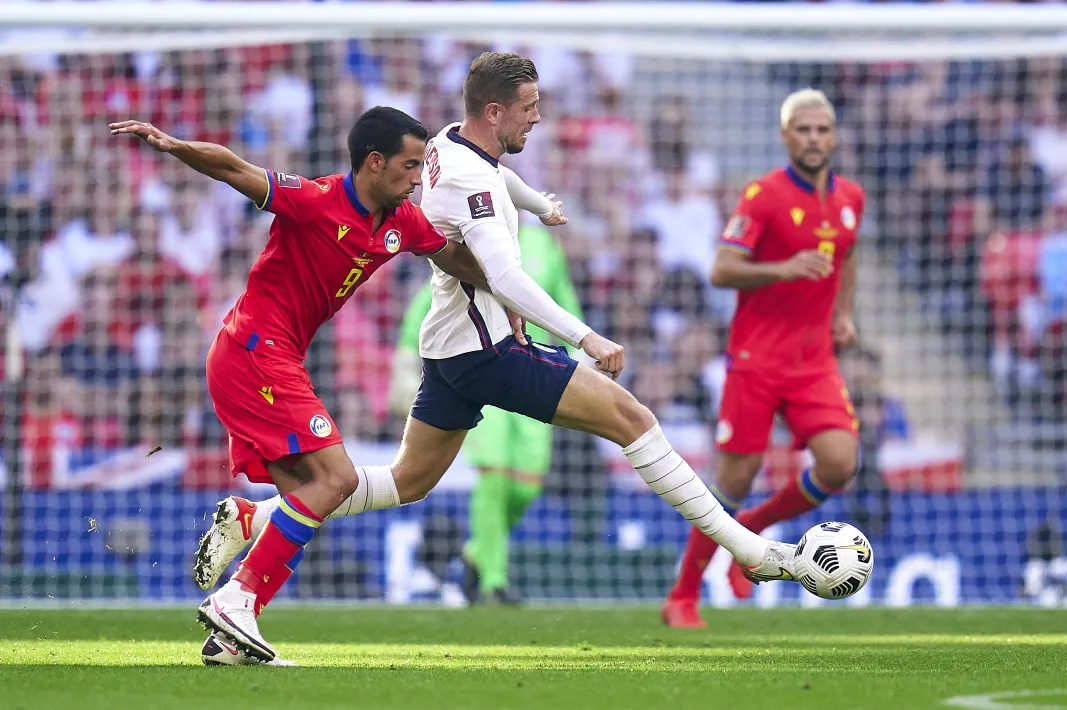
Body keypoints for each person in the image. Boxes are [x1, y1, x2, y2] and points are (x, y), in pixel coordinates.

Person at [193, 53, 797, 638]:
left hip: (450, 349)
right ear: (494, 110)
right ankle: (750, 549)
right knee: (632, 418)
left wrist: (537, 203)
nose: (537, 116)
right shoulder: (466, 180)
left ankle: (256, 517)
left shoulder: (446, 143)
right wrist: (584, 336)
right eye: (529, 107)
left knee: (408, 481)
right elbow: (503, 274)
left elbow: (495, 175)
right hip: (488, 349)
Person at [111, 106, 521, 663]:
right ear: (373, 163)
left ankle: (231, 624)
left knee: (311, 495)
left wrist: (510, 295)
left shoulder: (404, 220)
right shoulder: (315, 199)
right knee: (338, 477)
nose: (417, 178)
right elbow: (236, 169)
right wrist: (172, 144)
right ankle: (238, 600)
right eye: (407, 165)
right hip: (254, 351)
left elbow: (458, 261)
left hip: (272, 359)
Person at [660, 89, 864, 628]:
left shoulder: (851, 199)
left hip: (814, 360)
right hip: (756, 359)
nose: (814, 139)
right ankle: (683, 595)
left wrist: (843, 313)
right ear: (785, 136)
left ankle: (750, 529)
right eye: (803, 130)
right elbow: (721, 270)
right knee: (732, 479)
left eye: (822, 130)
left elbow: (847, 256)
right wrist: (783, 268)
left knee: (841, 462)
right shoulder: (763, 195)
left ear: (833, 135)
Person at [391, 219, 584, 605]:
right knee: (494, 477)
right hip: (485, 364)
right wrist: (405, 359)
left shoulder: (543, 244)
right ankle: (492, 582)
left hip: (537, 371)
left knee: (526, 485)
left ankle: (476, 553)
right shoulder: (476, 238)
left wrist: (580, 348)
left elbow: (561, 298)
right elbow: (432, 298)